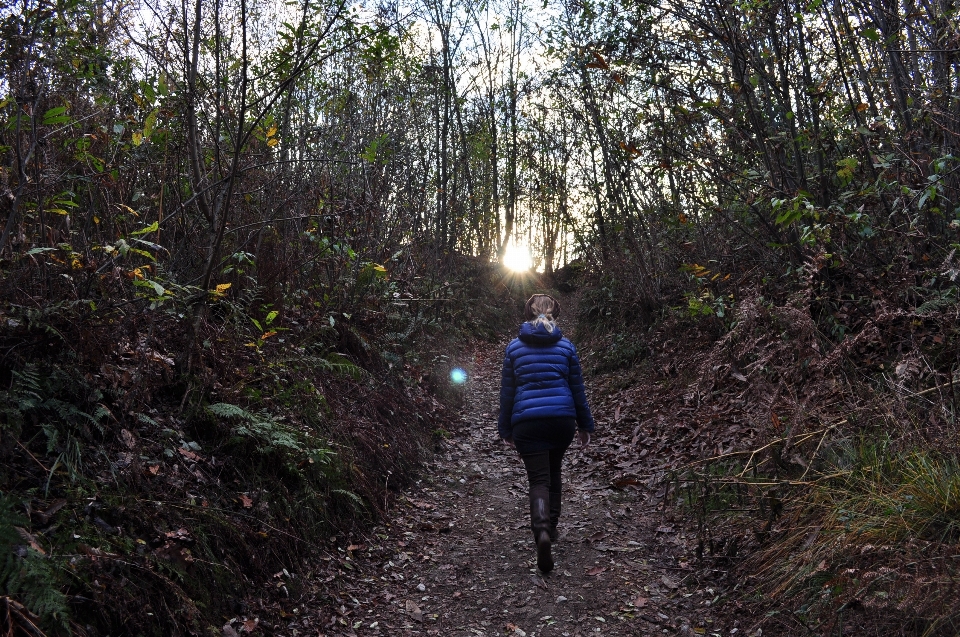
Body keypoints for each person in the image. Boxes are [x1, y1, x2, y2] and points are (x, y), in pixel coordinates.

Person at [498, 293, 595, 573]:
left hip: (527, 422)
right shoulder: (566, 347)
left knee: (538, 479)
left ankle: (540, 531)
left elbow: (508, 393)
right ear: (555, 312)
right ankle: (550, 530)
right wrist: (585, 425)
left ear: (528, 312)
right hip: (561, 420)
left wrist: (505, 427)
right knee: (554, 473)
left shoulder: (514, 348)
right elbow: (578, 391)